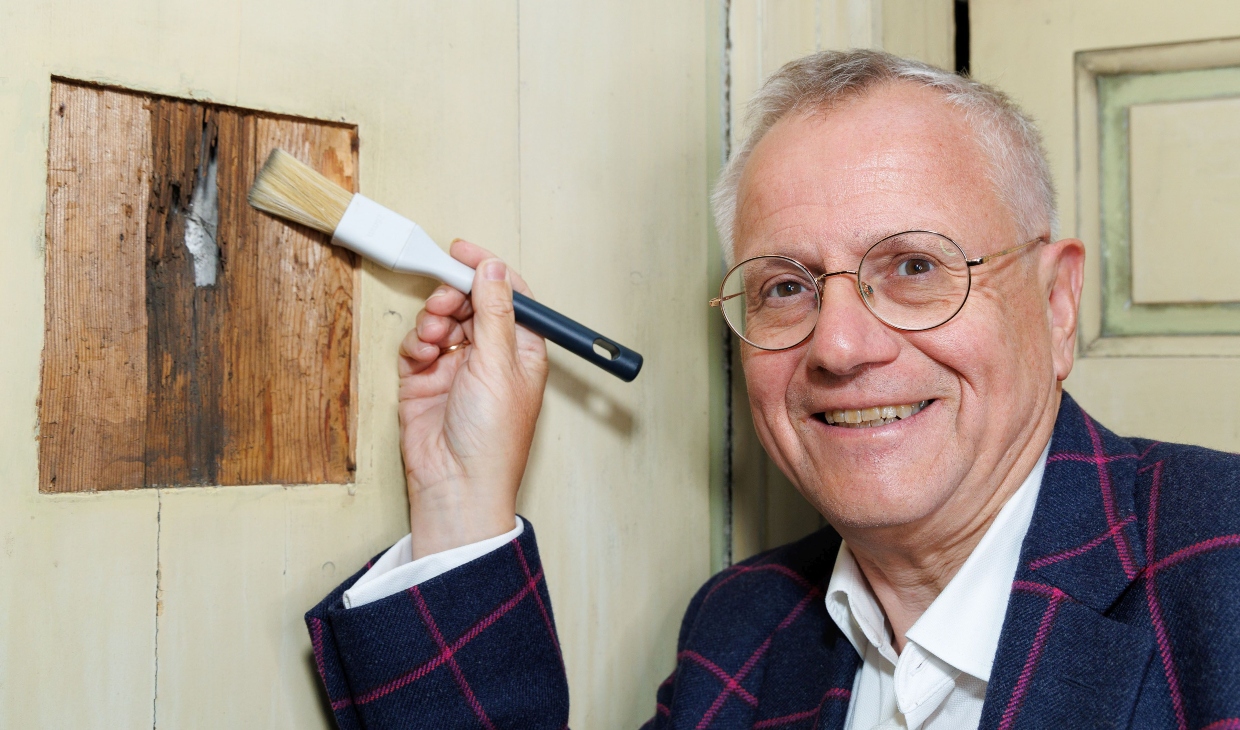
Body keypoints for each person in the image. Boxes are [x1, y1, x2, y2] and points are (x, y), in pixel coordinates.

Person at [305, 50, 1240, 729]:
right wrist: (460, 499)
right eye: (786, 286)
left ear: (1057, 300)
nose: (837, 345)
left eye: (915, 265)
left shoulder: (1221, 574)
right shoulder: (739, 634)